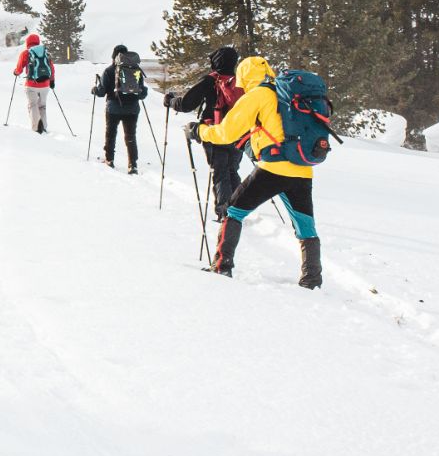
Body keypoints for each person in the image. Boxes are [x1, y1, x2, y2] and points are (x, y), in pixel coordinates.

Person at [195, 55, 323, 288]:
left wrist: (201, 131)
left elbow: (226, 133)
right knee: (305, 225)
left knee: (233, 211)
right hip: (303, 170)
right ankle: (312, 279)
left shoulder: (257, 95)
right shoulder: (289, 94)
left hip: (272, 169)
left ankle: (222, 266)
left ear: (243, 76)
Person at [165, 45, 243, 211]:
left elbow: (186, 104)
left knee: (220, 171)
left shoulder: (210, 79)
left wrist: (170, 101)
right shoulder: (241, 81)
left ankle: (224, 209)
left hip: (213, 130)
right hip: (238, 132)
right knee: (232, 170)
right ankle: (237, 209)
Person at [94, 44, 148, 172]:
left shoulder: (108, 71)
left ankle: (109, 159)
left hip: (114, 108)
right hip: (132, 109)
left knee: (111, 134)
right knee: (130, 136)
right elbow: (141, 93)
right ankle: (132, 165)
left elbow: (101, 93)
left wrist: (95, 89)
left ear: (114, 56)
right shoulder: (136, 70)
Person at [13, 33, 55, 135]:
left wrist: (15, 72)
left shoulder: (26, 53)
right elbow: (52, 68)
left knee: (33, 105)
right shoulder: (45, 52)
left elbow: (19, 69)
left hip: (31, 84)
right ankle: (44, 127)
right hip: (45, 84)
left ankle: (36, 128)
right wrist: (52, 81)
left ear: (27, 43)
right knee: (42, 106)